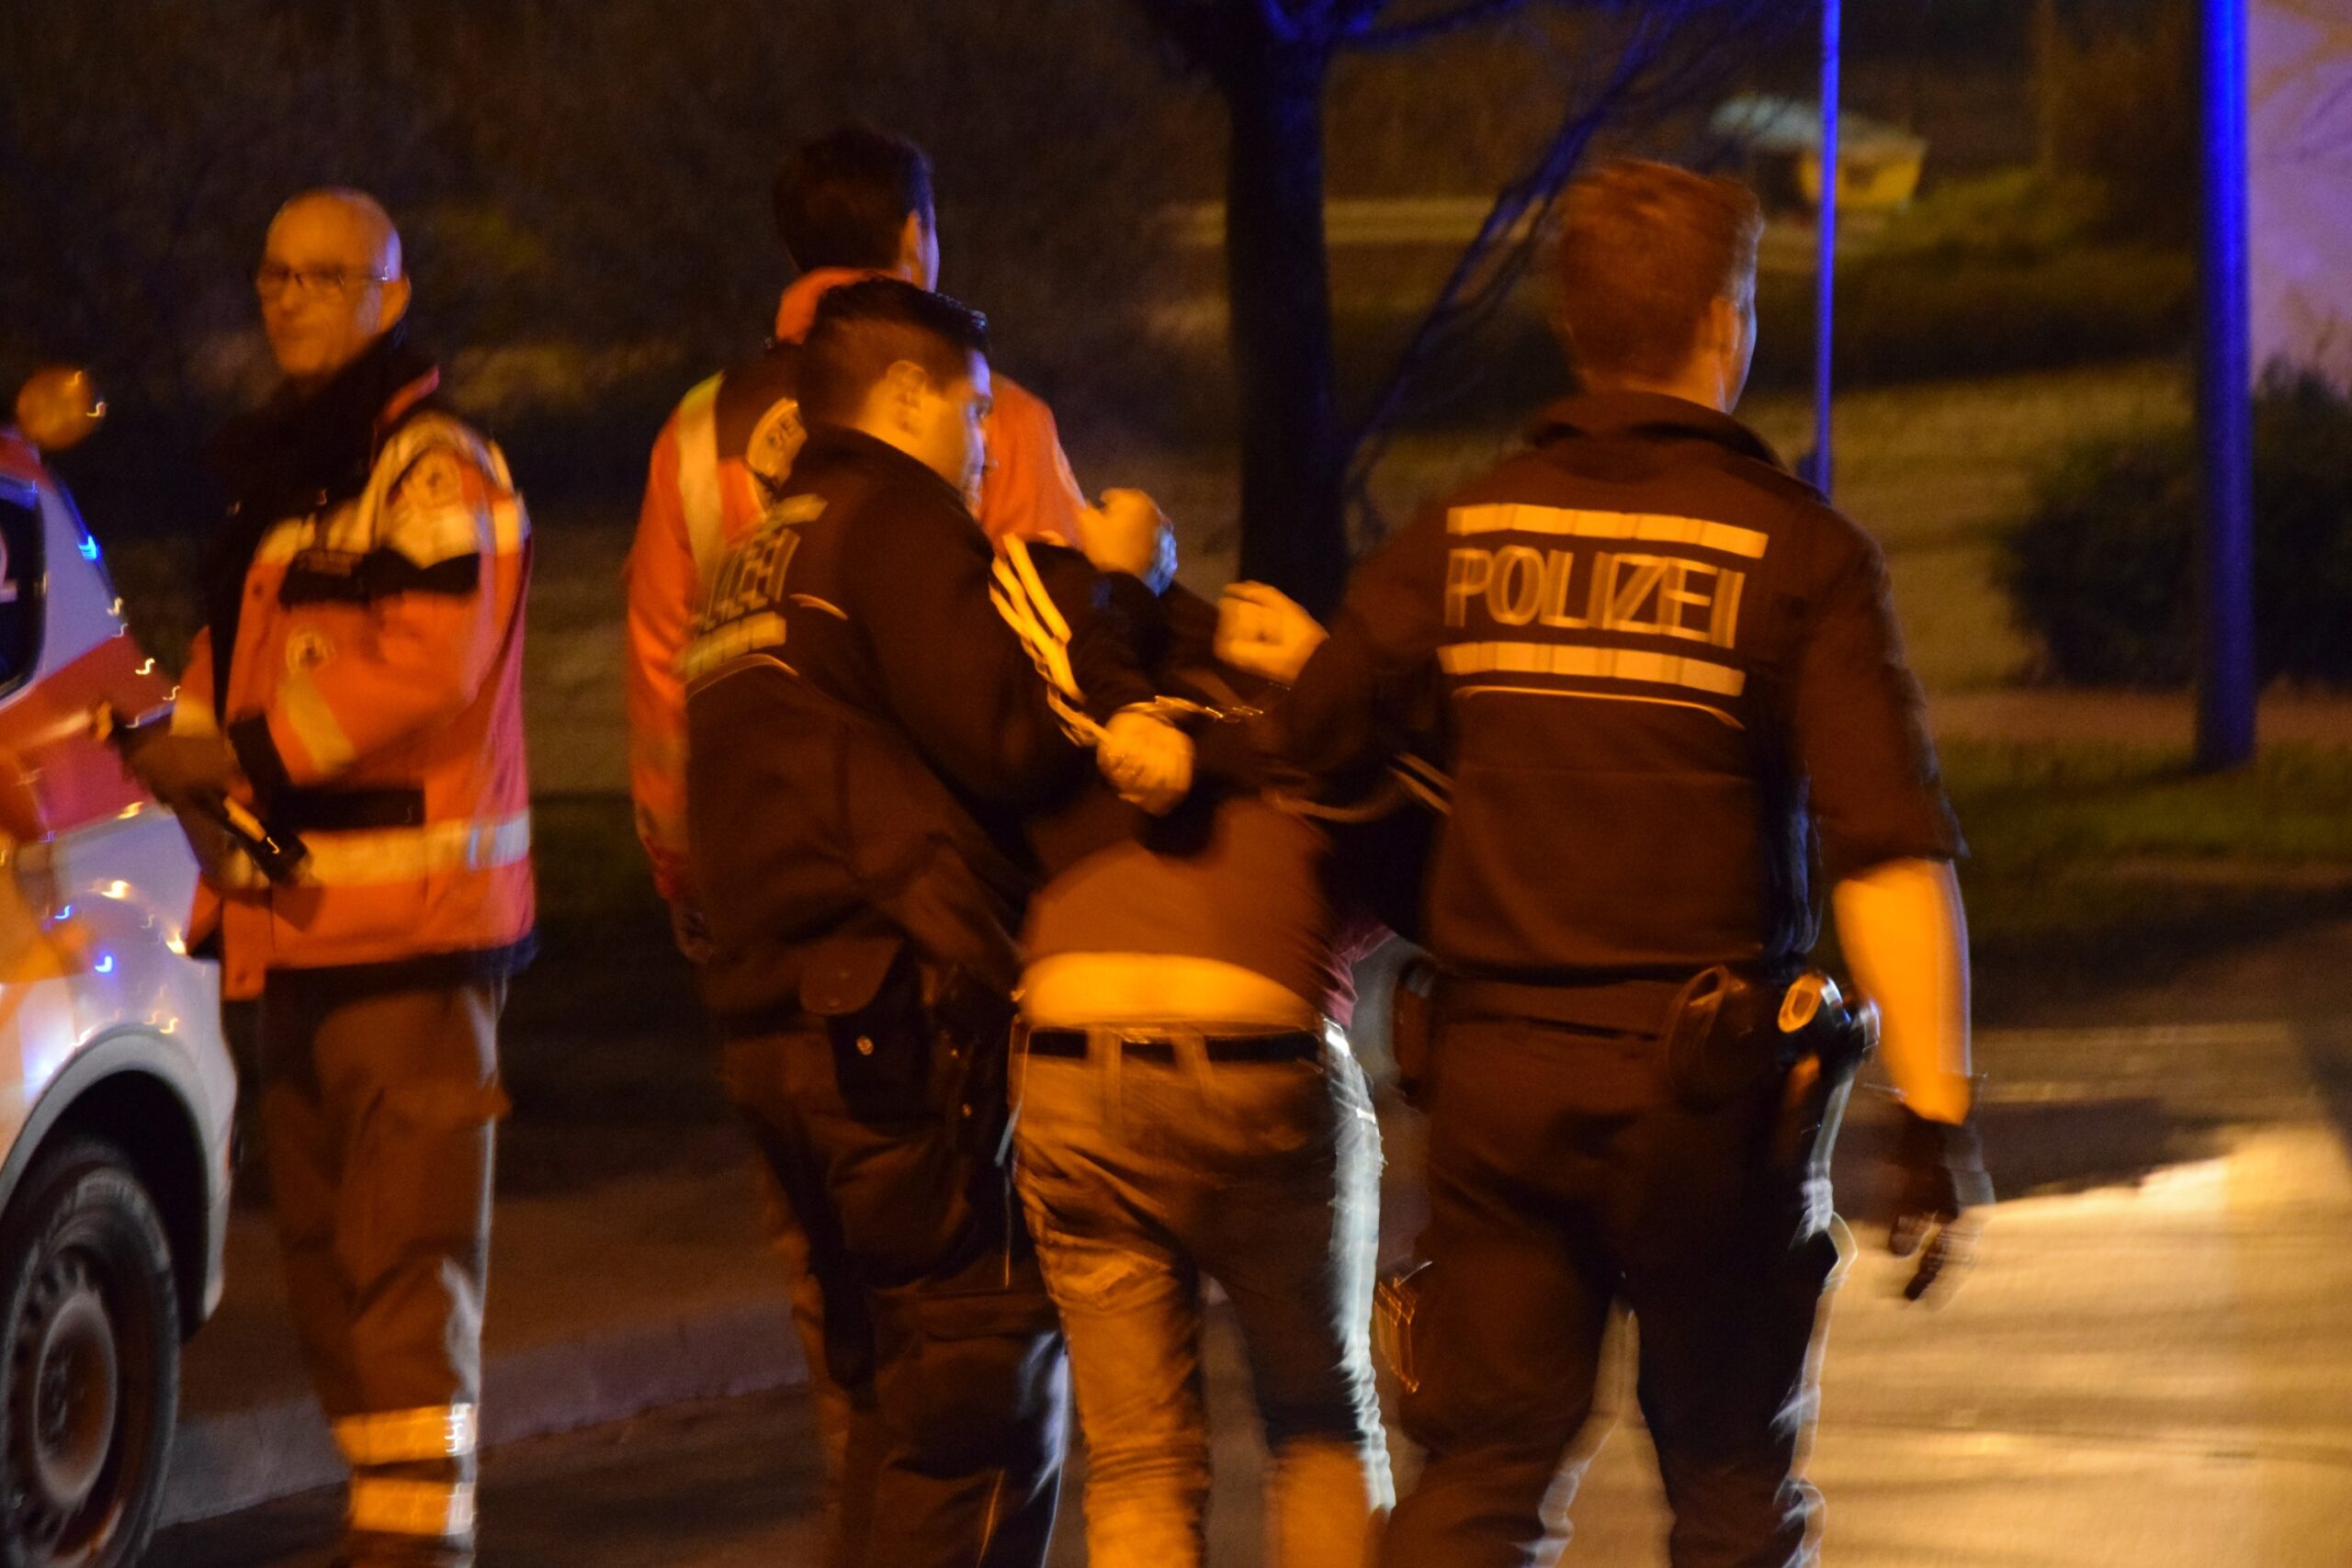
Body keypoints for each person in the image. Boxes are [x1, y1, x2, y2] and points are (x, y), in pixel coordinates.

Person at [1216, 160, 1993, 1568]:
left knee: (1487, 1473)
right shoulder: (1798, 554)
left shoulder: (1460, 536)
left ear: (1574, 329)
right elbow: (1886, 846)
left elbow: (1312, 743)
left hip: (1503, 1090)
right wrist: (1932, 1115)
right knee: (1729, 1489)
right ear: (1725, 323)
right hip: (1711, 1105)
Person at [681, 277, 1191, 1568]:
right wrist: (1119, 591)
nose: (980, 441)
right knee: (976, 1398)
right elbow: (1013, 730)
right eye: (971, 409)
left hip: (772, 1029)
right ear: (907, 396)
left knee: (882, 1408)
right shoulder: (896, 524)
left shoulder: (756, 553)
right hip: (896, 1029)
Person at [124, 188, 532, 1568]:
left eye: (326, 275)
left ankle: (418, 1543)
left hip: (408, 931)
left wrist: (231, 754)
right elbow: (232, 660)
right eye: (275, 273)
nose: (291, 296)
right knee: (327, 1258)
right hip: (298, 924)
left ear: (390, 296)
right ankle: (391, 1522)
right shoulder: (289, 478)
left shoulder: (430, 467)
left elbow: (426, 658)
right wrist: (176, 746)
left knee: (405, 1255)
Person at [1009, 496, 1402, 1568]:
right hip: (1251, 1063)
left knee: (1139, 1461)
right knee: (1322, 1423)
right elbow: (1388, 895)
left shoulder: (1097, 717)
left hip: (1068, 1059)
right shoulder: (1305, 738)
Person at [627, 122, 1088, 930]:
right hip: (949, 887)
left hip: (759, 874)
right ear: (915, 237)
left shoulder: (694, 430)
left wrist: (684, 867)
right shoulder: (993, 418)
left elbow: (665, 670)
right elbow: (1054, 649)